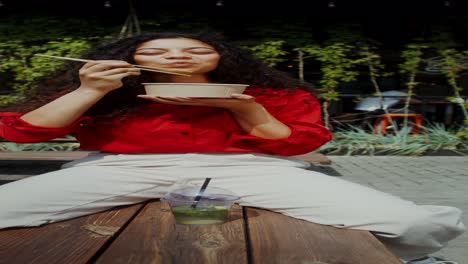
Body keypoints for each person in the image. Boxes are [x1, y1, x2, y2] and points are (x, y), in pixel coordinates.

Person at [0, 32, 464, 264]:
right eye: (158, 52)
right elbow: (24, 133)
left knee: (414, 221)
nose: (177, 57)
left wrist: (242, 108)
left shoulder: (270, 95)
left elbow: (295, 145)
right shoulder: (109, 89)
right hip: (119, 167)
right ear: (133, 56)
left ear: (219, 56)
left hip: (249, 168)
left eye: (194, 50)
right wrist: (88, 89)